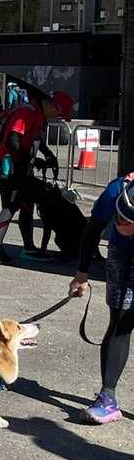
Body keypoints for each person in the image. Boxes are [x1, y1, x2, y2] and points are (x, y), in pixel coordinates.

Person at [70, 174, 134, 425]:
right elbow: (93, 230)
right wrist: (81, 275)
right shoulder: (115, 190)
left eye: (129, 221)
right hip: (121, 256)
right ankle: (107, 398)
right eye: (120, 218)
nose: (122, 224)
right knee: (119, 324)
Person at [0, 89, 73, 265]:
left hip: (22, 166)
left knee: (27, 205)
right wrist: (32, 159)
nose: (57, 117)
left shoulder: (39, 114)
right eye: (58, 113)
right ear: (52, 105)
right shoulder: (27, 112)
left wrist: (48, 155)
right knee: (9, 207)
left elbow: (35, 139)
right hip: (10, 166)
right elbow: (12, 140)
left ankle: (28, 248)